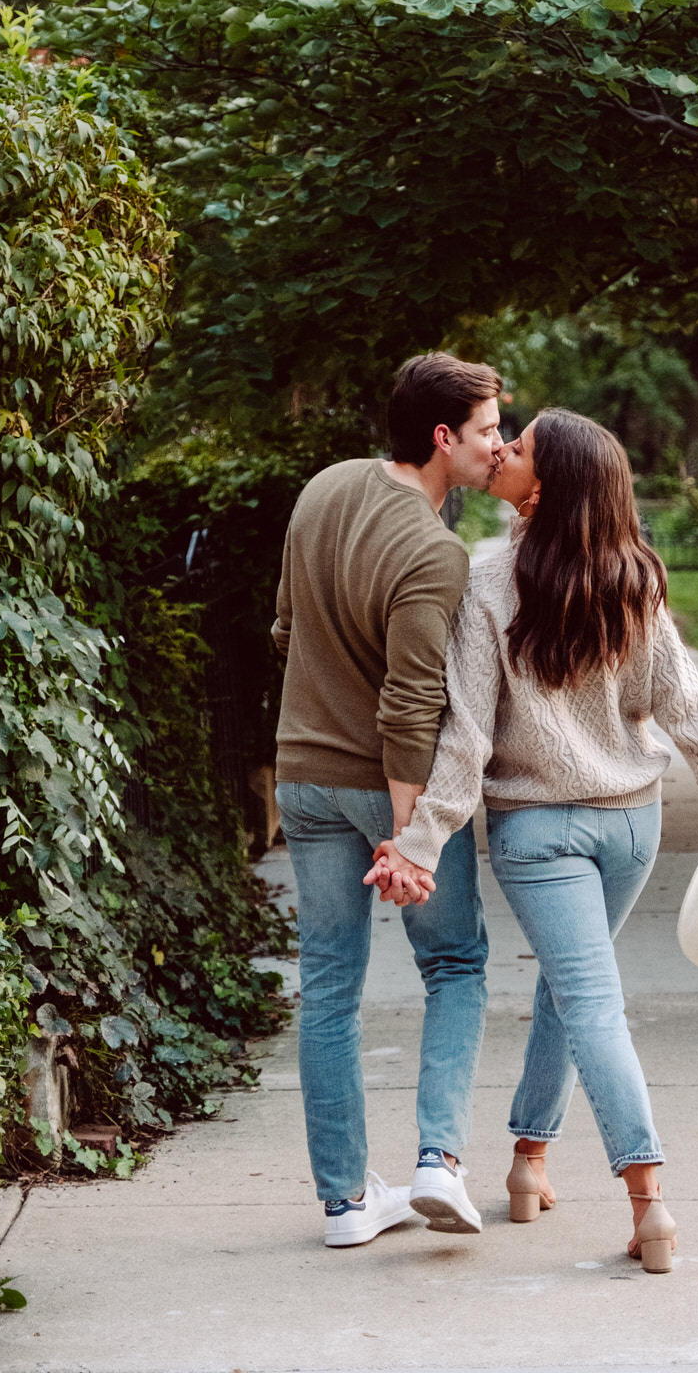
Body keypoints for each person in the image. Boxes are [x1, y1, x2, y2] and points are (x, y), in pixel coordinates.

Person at [367, 408, 698, 1273]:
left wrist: (421, 840)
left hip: (540, 833)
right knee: (576, 988)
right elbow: (681, 699)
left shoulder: (488, 579)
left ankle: (649, 1202)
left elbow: (466, 736)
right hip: (632, 824)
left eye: (520, 447)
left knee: (584, 999)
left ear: (543, 487)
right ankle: (529, 1159)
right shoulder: (632, 573)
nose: (501, 451)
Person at [272, 352, 503, 1249]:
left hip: (301, 775)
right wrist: (412, 837)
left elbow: (286, 625)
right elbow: (409, 710)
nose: (497, 446)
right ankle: (438, 1163)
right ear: (443, 438)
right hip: (383, 788)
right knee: (454, 965)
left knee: (328, 985)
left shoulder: (324, 488)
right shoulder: (433, 552)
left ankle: (342, 1206)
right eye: (486, 431)